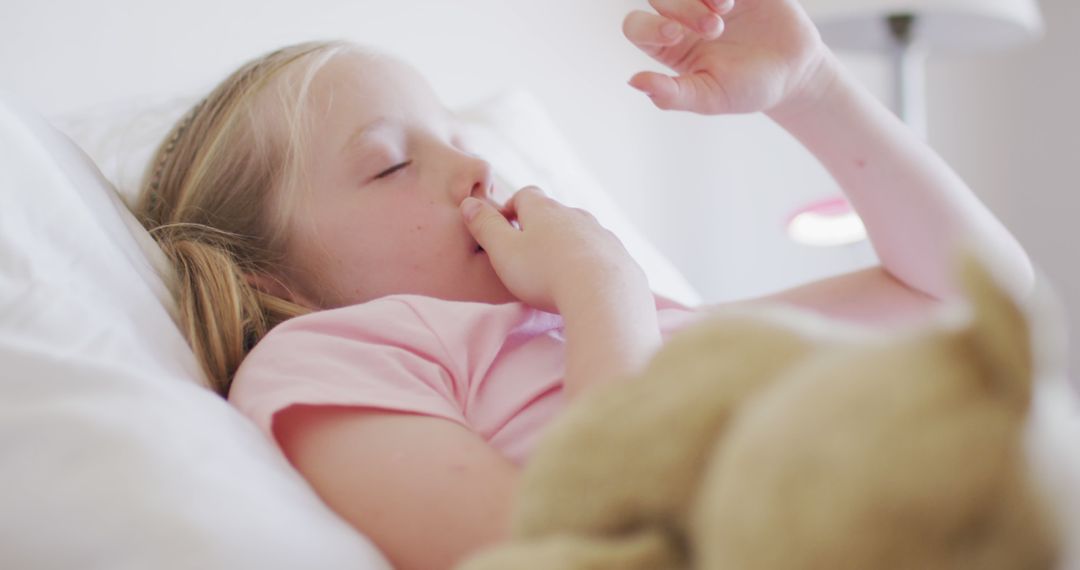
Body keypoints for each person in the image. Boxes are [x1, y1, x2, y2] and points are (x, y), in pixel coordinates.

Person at [134, 0, 1034, 568]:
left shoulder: (619, 324)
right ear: (270, 275)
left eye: (454, 130)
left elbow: (969, 300)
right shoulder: (335, 354)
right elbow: (568, 553)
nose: (474, 164)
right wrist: (601, 288)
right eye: (392, 164)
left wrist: (813, 87)